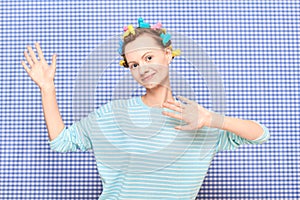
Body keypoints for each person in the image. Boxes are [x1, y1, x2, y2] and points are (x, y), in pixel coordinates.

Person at [21, 18, 270, 200]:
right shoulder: (112, 114)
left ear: (167, 54)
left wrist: (212, 119)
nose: (142, 69)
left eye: (149, 58)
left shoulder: (199, 120)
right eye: (133, 64)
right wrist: (47, 89)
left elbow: (260, 134)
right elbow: (62, 141)